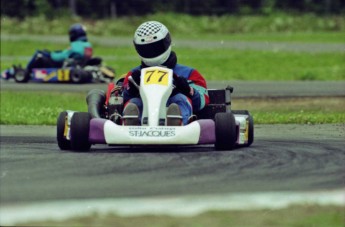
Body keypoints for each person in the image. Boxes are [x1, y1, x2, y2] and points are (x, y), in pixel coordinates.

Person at [119, 21, 209, 126]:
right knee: (135, 102)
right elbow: (119, 101)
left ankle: (176, 122)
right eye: (147, 49)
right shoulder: (133, 75)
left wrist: (188, 89)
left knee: (180, 99)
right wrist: (131, 89)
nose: (152, 52)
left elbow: (202, 102)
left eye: (156, 47)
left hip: (173, 108)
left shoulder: (189, 73)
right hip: (145, 113)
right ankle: (132, 124)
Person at [14, 23, 92, 79]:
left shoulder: (76, 45)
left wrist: (52, 54)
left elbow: (59, 57)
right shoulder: (87, 44)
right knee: (46, 53)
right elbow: (69, 54)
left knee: (39, 54)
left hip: (61, 64)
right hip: (77, 64)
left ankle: (26, 71)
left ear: (74, 34)